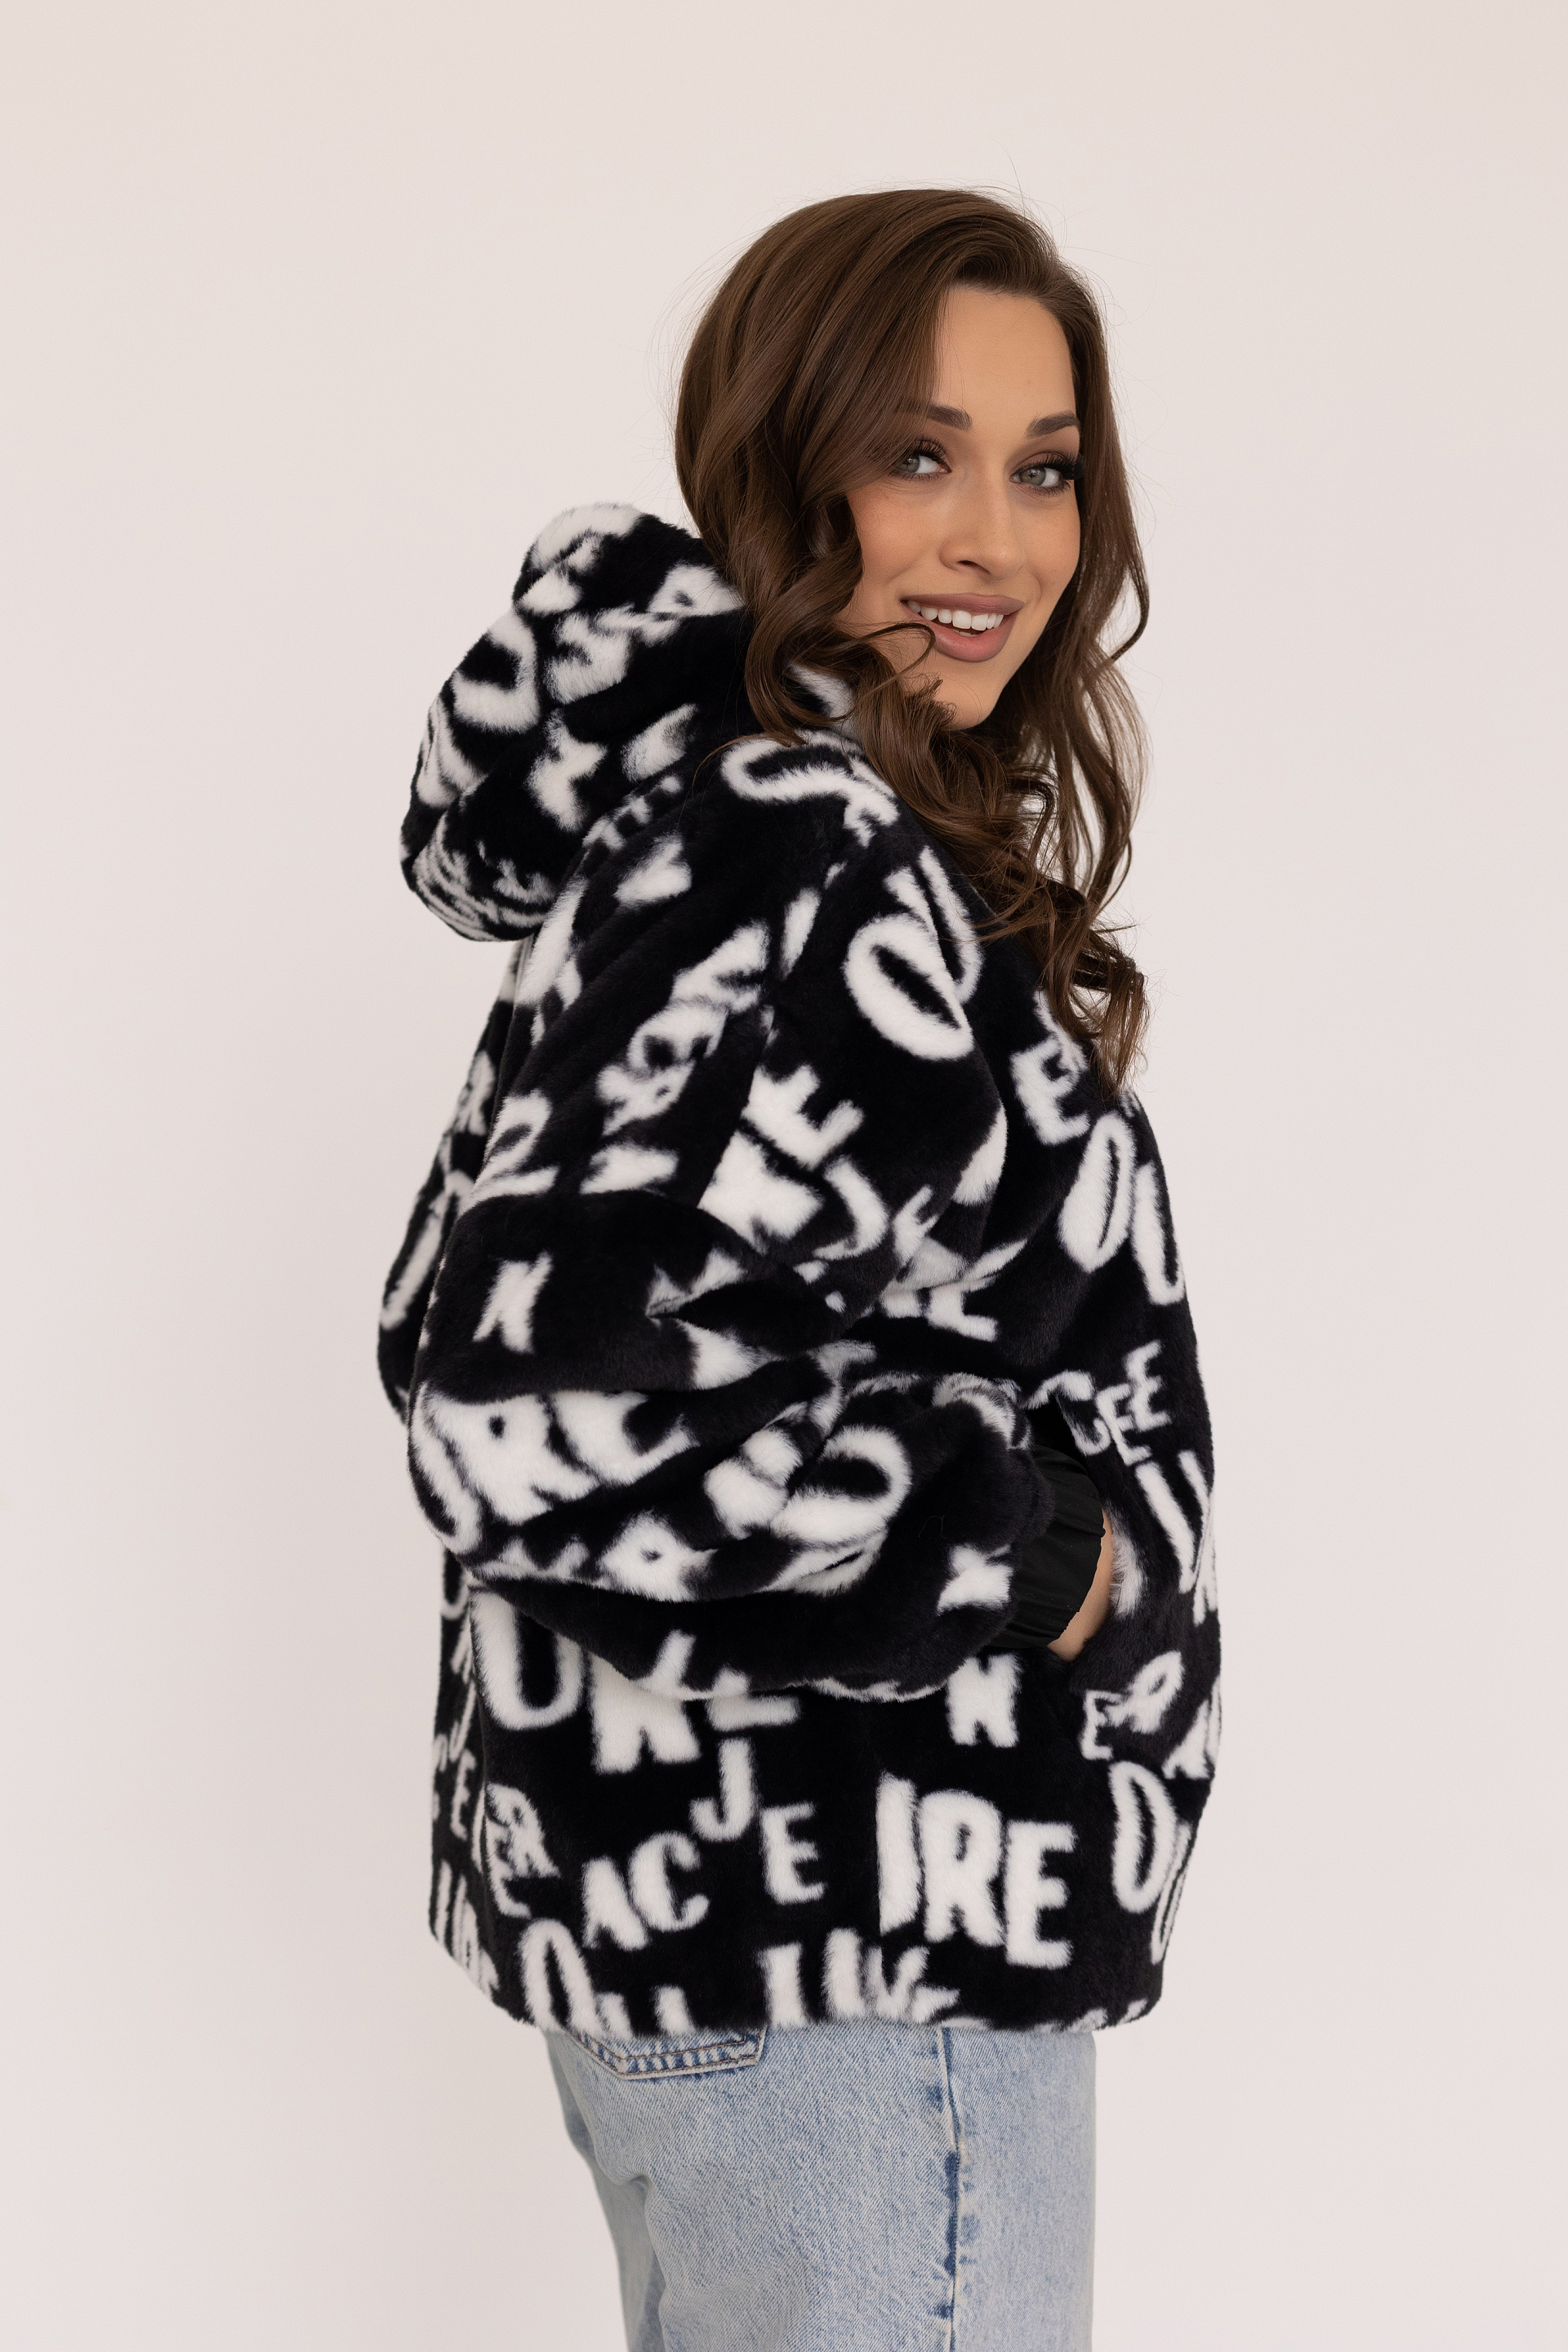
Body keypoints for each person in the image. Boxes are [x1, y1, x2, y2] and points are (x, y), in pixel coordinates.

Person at [380, 188, 1218, 2352]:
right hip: (861, 1957)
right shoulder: (797, 843)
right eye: (920, 454)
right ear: (784, 463)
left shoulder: (743, 821)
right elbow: (531, 1408)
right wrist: (1036, 1557)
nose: (998, 542)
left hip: (772, 1958)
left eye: (1046, 468)